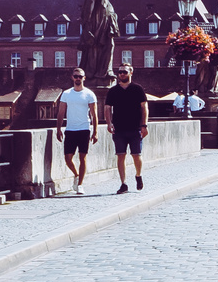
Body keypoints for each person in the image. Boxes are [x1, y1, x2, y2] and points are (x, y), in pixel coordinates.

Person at [103, 64, 148, 194]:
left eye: (124, 72)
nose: (122, 74)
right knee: (120, 156)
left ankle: (138, 175)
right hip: (119, 128)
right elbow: (107, 108)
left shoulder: (137, 89)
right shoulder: (113, 91)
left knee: (136, 155)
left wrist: (144, 125)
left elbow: (144, 107)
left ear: (131, 73)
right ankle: (123, 183)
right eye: (120, 72)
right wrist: (109, 123)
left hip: (135, 128)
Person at [55, 69, 99, 192]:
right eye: (76, 76)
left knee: (82, 157)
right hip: (70, 129)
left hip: (84, 128)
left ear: (84, 78)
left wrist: (95, 132)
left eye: (80, 76)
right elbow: (61, 112)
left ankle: (80, 185)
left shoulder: (89, 94)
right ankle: (76, 175)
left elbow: (94, 114)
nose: (78, 78)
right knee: (68, 158)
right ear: (72, 77)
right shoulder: (67, 94)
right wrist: (58, 129)